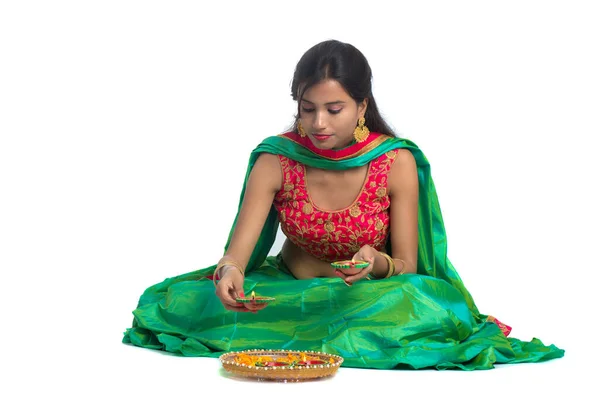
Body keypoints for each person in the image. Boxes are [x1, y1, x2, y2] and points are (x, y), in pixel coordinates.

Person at [123, 39, 564, 370]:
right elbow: (236, 254)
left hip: (368, 300)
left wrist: (377, 264)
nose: (318, 123)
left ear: (361, 106)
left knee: (435, 303)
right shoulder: (276, 159)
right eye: (307, 108)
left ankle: (311, 335)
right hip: (289, 292)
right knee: (185, 301)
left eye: (334, 109)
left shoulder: (395, 161)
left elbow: (408, 263)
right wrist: (230, 274)